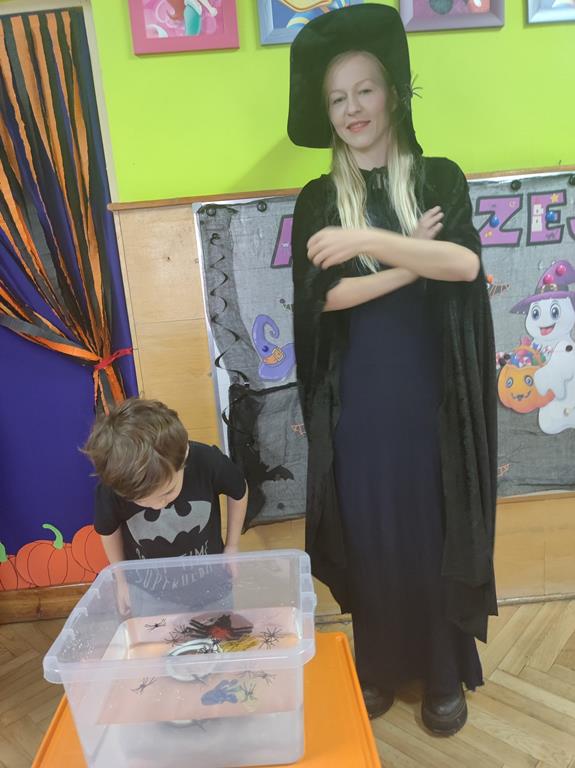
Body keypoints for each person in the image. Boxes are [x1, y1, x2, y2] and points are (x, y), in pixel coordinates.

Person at [288, 4, 497, 735]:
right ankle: (377, 664)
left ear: (392, 96)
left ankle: (442, 673)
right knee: (373, 533)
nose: (352, 109)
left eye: (364, 90)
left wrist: (367, 243)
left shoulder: (438, 178)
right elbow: (324, 300)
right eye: (336, 98)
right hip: (358, 402)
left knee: (431, 530)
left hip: (432, 397)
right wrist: (409, 257)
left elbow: (463, 264)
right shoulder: (319, 199)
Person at [83, 398, 248, 610]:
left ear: (184, 455)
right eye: (141, 500)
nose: (157, 506)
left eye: (168, 492)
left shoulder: (205, 461)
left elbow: (239, 490)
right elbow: (108, 530)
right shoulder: (114, 486)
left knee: (221, 628)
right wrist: (121, 580)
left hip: (212, 584)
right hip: (149, 593)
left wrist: (232, 545)